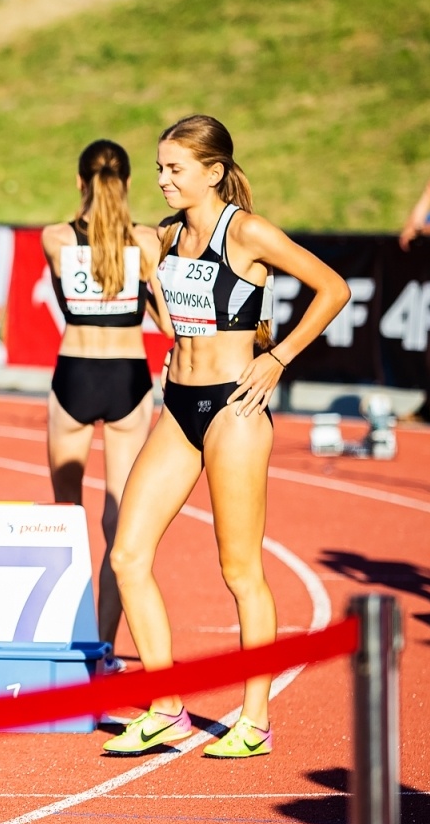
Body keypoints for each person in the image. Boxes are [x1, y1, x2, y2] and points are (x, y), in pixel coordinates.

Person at [102, 115, 350, 759]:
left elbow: (334, 288)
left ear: (212, 172)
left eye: (174, 168)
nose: (161, 179)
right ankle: (166, 707)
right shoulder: (165, 235)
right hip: (177, 405)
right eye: (158, 167)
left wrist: (279, 356)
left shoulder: (246, 232)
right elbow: (168, 312)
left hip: (235, 409)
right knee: (128, 554)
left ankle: (255, 718)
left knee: (239, 569)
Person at [40, 140, 172, 659]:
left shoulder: (55, 238)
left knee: (66, 516)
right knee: (119, 525)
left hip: (74, 374)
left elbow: (64, 284)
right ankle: (103, 648)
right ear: (129, 182)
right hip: (128, 377)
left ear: (79, 181)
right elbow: (165, 320)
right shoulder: (146, 241)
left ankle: (67, 635)